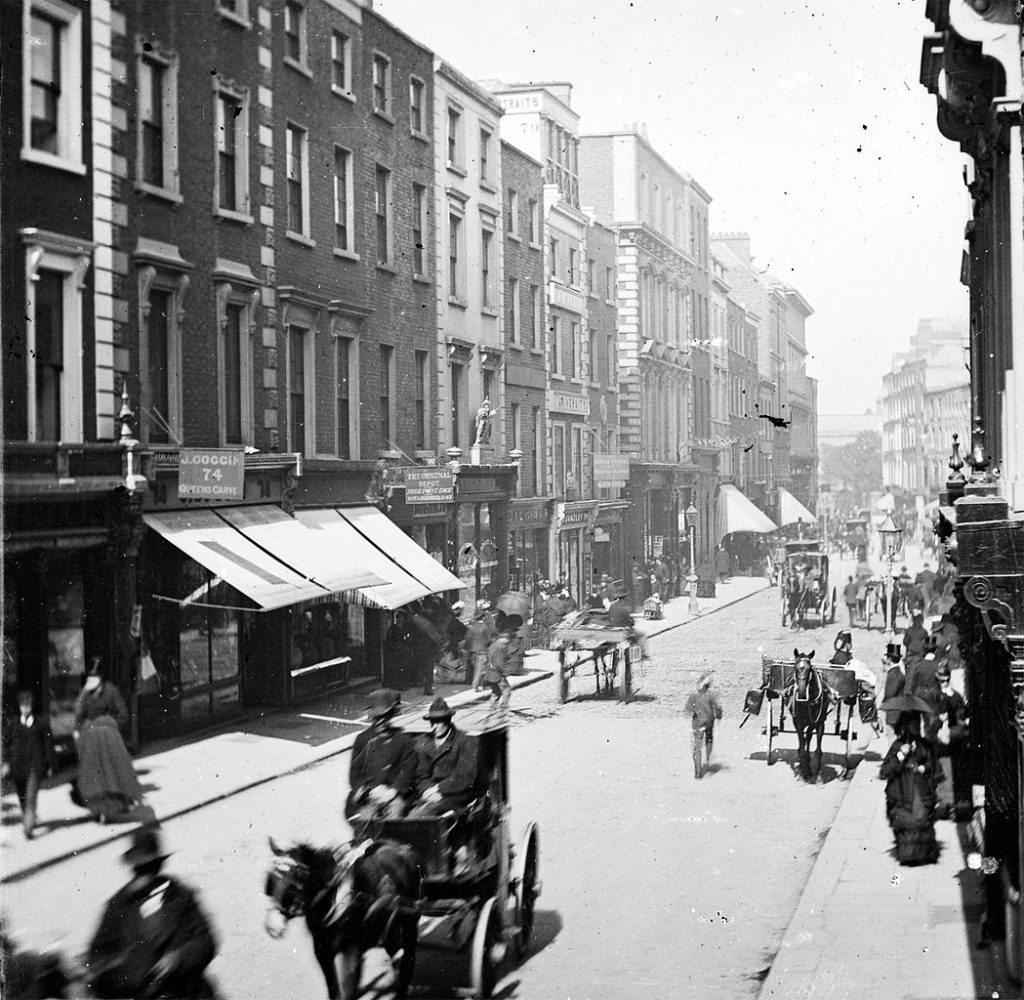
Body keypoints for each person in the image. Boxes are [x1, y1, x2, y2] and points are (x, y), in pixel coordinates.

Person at [87, 824, 218, 999]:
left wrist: (178, 958)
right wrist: (122, 967)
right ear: (132, 868)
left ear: (158, 866)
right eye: (138, 868)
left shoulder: (179, 895)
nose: (143, 874)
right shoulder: (119, 904)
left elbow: (206, 940)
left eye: (148, 867)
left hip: (187, 992)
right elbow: (97, 954)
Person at [74, 664, 143, 824]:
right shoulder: (85, 693)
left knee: (114, 768)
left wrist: (111, 724)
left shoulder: (111, 691)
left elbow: (122, 713)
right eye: (90, 678)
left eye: (95, 677)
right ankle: (99, 807)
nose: (92, 681)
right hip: (91, 737)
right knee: (93, 772)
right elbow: (78, 713)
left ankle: (118, 802)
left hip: (108, 735)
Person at [345, 689, 417, 833]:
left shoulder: (403, 740)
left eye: (385, 717)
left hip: (394, 795)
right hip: (370, 795)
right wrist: (368, 791)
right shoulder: (363, 739)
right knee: (364, 826)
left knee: (393, 826)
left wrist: (393, 792)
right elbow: (355, 773)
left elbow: (408, 771)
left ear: (390, 716)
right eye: (377, 718)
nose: (381, 722)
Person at [879, 711, 941, 866]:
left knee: (921, 820)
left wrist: (923, 768)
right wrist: (900, 755)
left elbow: (934, 768)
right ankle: (909, 856)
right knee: (907, 821)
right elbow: (885, 771)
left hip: (920, 791)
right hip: (901, 794)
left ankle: (923, 855)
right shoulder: (897, 746)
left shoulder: (924, 746)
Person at [410, 699, 480, 817]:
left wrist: (438, 789)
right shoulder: (424, 742)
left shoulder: (465, 741)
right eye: (432, 722)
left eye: (438, 722)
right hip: (431, 794)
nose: (434, 726)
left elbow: (464, 777)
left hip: (458, 794)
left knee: (422, 815)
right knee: (410, 814)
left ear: (448, 721)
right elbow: (421, 775)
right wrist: (428, 790)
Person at [2, 689, 53, 839]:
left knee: (31, 797)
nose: (25, 708)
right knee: (22, 797)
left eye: (28, 705)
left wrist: (49, 765)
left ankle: (28, 827)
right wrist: (5, 762)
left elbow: (48, 745)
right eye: (23, 705)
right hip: (18, 766)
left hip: (35, 767)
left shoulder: (41, 723)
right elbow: (5, 744)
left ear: (31, 706)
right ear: (19, 706)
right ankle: (29, 817)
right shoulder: (13, 724)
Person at [684, 672, 723, 780]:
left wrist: (696, 710)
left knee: (697, 746)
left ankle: (698, 771)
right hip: (709, 721)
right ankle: (707, 760)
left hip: (697, 722)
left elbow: (687, 708)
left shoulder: (694, 695)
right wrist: (719, 716)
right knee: (709, 740)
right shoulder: (712, 694)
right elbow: (718, 707)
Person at [484, 625, 513, 714]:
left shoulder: (494, 644)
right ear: (506, 638)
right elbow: (500, 663)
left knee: (496, 692)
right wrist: (504, 674)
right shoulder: (501, 647)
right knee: (507, 690)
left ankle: (491, 709)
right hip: (497, 674)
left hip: (489, 672)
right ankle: (502, 709)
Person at [881, 643, 907, 732]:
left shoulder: (893, 674)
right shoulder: (899, 672)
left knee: (892, 739)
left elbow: (890, 693)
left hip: (893, 714)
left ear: (889, 659)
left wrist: (883, 703)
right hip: (899, 712)